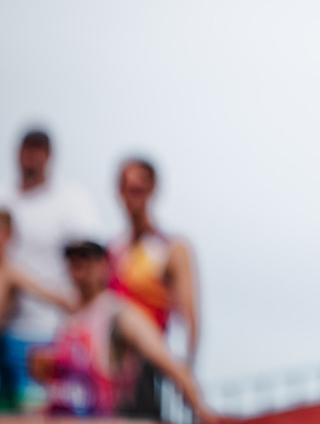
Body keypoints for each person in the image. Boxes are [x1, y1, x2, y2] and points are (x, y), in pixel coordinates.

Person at [29, 240, 216, 422]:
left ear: (103, 266)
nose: (78, 270)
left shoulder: (119, 314)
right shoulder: (68, 317)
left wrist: (201, 409)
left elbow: (168, 362)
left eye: (84, 262)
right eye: (73, 263)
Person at [0, 129, 106, 413]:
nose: (31, 156)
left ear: (49, 156)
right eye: (26, 148)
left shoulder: (70, 199)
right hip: (5, 330)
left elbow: (93, 254)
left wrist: (81, 311)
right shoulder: (5, 197)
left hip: (49, 331)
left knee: (41, 412)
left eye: (38, 149)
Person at [107, 157, 200, 418]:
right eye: (126, 187)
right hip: (110, 366)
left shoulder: (170, 248)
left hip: (149, 365)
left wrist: (186, 370)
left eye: (138, 188)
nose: (131, 196)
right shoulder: (114, 250)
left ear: (152, 190)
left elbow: (190, 316)